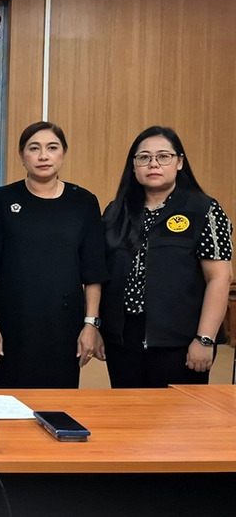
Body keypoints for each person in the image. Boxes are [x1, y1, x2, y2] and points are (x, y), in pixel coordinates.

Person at [0, 122, 107, 389]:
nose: (43, 156)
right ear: (22, 155)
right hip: (13, 324)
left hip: (64, 325)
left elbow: (93, 272)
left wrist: (90, 325)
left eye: (52, 148)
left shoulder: (84, 202)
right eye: (34, 148)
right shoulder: (2, 199)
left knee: (58, 403)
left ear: (63, 153)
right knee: (10, 403)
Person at [100, 126, 233, 388]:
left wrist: (205, 339)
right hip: (123, 341)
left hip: (180, 341)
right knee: (128, 410)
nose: (153, 164)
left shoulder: (203, 209)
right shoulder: (116, 211)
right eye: (144, 157)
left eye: (163, 156)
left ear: (179, 162)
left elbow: (220, 278)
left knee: (176, 414)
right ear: (134, 166)